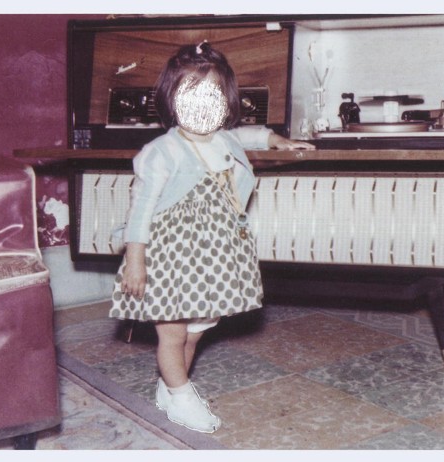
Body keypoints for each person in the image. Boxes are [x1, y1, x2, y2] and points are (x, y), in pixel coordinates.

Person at [109, 41, 314, 433]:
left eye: (213, 94)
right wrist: (136, 260)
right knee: (171, 333)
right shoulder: (161, 152)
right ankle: (183, 396)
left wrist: (279, 141)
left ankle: (170, 390)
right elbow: (141, 211)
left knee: (195, 332)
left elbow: (251, 135)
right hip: (168, 255)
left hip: (213, 256)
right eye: (191, 93)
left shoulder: (224, 138)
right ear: (171, 98)